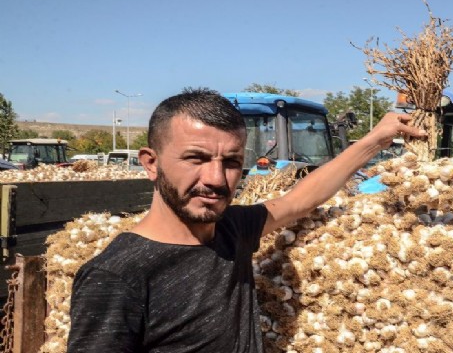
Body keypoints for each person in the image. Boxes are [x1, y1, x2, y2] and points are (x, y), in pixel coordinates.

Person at [67, 87, 426, 352]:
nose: (216, 179)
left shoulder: (231, 230)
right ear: (151, 163)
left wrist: (376, 139)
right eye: (195, 158)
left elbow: (299, 200)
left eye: (231, 162)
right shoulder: (117, 276)